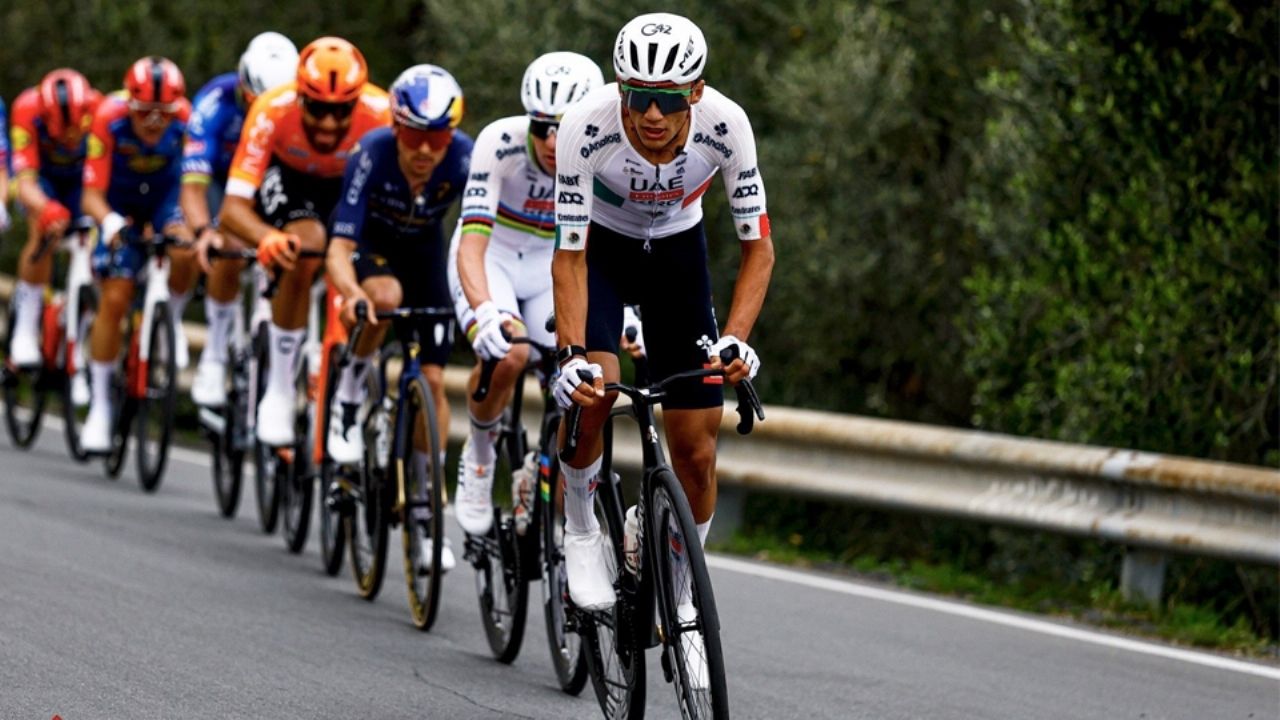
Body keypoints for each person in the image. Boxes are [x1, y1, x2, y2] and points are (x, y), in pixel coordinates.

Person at [552, 13, 775, 612]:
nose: (651, 115)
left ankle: (681, 598)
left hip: (678, 253)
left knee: (698, 453)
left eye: (668, 100)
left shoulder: (727, 126)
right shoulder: (585, 126)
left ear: (695, 94)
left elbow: (758, 248)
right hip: (602, 251)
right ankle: (579, 529)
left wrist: (735, 338)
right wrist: (572, 353)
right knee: (593, 392)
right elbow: (569, 256)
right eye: (639, 97)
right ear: (620, 89)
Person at [447, 51, 605, 537]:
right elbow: (472, 243)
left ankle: (544, 475)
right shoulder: (500, 142)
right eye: (542, 128)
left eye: (566, 127)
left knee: (578, 370)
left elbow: (611, 251)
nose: (554, 141)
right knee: (511, 353)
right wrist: (484, 310)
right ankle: (478, 458)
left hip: (548, 268)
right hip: (493, 257)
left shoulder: (604, 152)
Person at [326, 64, 472, 572]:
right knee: (383, 296)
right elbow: (339, 247)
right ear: (396, 126)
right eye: (414, 134)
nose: (426, 150)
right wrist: (351, 293)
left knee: (432, 383)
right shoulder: (371, 153)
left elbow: (483, 238)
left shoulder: (466, 158)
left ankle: (428, 513)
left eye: (438, 136)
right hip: (374, 247)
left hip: (426, 252)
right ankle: (348, 391)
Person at [218, 36, 390, 446]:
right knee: (303, 245)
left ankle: (349, 384)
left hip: (348, 186)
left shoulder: (383, 114)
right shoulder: (270, 110)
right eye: (316, 109)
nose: (328, 124)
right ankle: (278, 387)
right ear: (298, 97)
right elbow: (231, 209)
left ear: (358, 101)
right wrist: (268, 237)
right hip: (291, 181)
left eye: (340, 111)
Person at [81, 57, 196, 452]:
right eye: (145, 111)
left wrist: (184, 224)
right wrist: (110, 223)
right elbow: (90, 193)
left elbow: (193, 180)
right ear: (130, 103)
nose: (153, 122)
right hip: (117, 203)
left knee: (186, 250)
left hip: (164, 201)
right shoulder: (107, 118)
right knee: (114, 297)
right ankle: (99, 405)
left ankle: (171, 323)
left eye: (162, 113)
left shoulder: (186, 120)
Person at [186, 32, 299, 406]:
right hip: (222, 180)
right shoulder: (214, 103)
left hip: (269, 180)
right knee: (229, 244)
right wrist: (204, 231)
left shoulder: (300, 107)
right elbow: (192, 186)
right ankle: (215, 353)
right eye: (255, 103)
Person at [6, 69, 102, 371]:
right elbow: (24, 182)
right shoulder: (26, 108)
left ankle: (79, 333)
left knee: (101, 249)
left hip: (80, 182)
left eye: (76, 128)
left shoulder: (100, 109)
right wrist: (46, 207)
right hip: (40, 180)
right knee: (43, 229)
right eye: (63, 129)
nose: (71, 136)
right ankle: (26, 322)